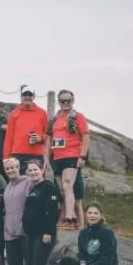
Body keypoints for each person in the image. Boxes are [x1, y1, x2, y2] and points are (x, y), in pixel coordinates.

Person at [45, 89, 90, 230]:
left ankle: (69, 218)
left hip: (72, 154)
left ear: (73, 101)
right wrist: (46, 158)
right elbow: (48, 138)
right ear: (59, 102)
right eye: (63, 101)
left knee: (67, 184)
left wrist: (82, 156)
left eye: (68, 101)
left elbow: (86, 137)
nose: (65, 103)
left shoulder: (78, 117)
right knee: (62, 189)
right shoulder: (54, 119)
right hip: (57, 157)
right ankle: (71, 218)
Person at [23, 160, 61, 265]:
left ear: (42, 170)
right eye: (30, 171)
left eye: (35, 170)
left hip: (43, 235)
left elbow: (53, 211)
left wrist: (48, 231)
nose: (33, 173)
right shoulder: (33, 188)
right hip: (31, 235)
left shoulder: (49, 187)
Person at [3, 157, 32, 265]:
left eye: (13, 167)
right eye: (7, 169)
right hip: (9, 233)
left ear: (19, 167)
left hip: (24, 232)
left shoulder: (28, 182)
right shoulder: (7, 187)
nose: (10, 171)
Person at [4, 86, 48, 174]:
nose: (27, 97)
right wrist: (6, 158)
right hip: (17, 155)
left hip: (36, 155)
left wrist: (40, 138)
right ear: (21, 97)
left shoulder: (42, 113)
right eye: (25, 95)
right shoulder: (14, 114)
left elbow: (49, 135)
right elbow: (9, 138)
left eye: (30, 95)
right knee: (19, 183)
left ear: (34, 97)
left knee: (36, 183)